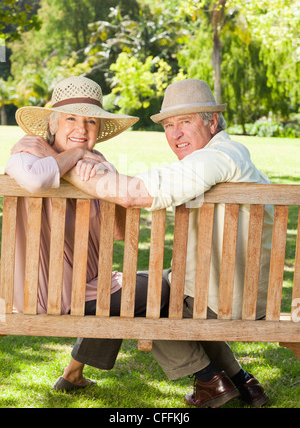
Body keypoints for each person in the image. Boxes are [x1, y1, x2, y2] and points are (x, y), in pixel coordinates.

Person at [60, 78, 273, 408]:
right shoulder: (226, 156)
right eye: (169, 125)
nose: (175, 134)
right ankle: (243, 382)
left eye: (185, 122)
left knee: (136, 296)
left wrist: (69, 161)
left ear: (212, 121)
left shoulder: (215, 160)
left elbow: (132, 195)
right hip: (241, 293)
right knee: (137, 288)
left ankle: (209, 383)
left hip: (222, 301)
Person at [5, 75, 170, 391]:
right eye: (71, 118)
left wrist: (107, 174)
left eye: (91, 121)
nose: (81, 129)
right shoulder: (28, 152)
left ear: (98, 130)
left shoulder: (96, 162)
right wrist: (78, 156)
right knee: (154, 292)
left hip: (89, 286)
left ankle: (73, 374)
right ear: (52, 124)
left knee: (159, 285)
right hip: (42, 294)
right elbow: (38, 181)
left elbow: (119, 230)